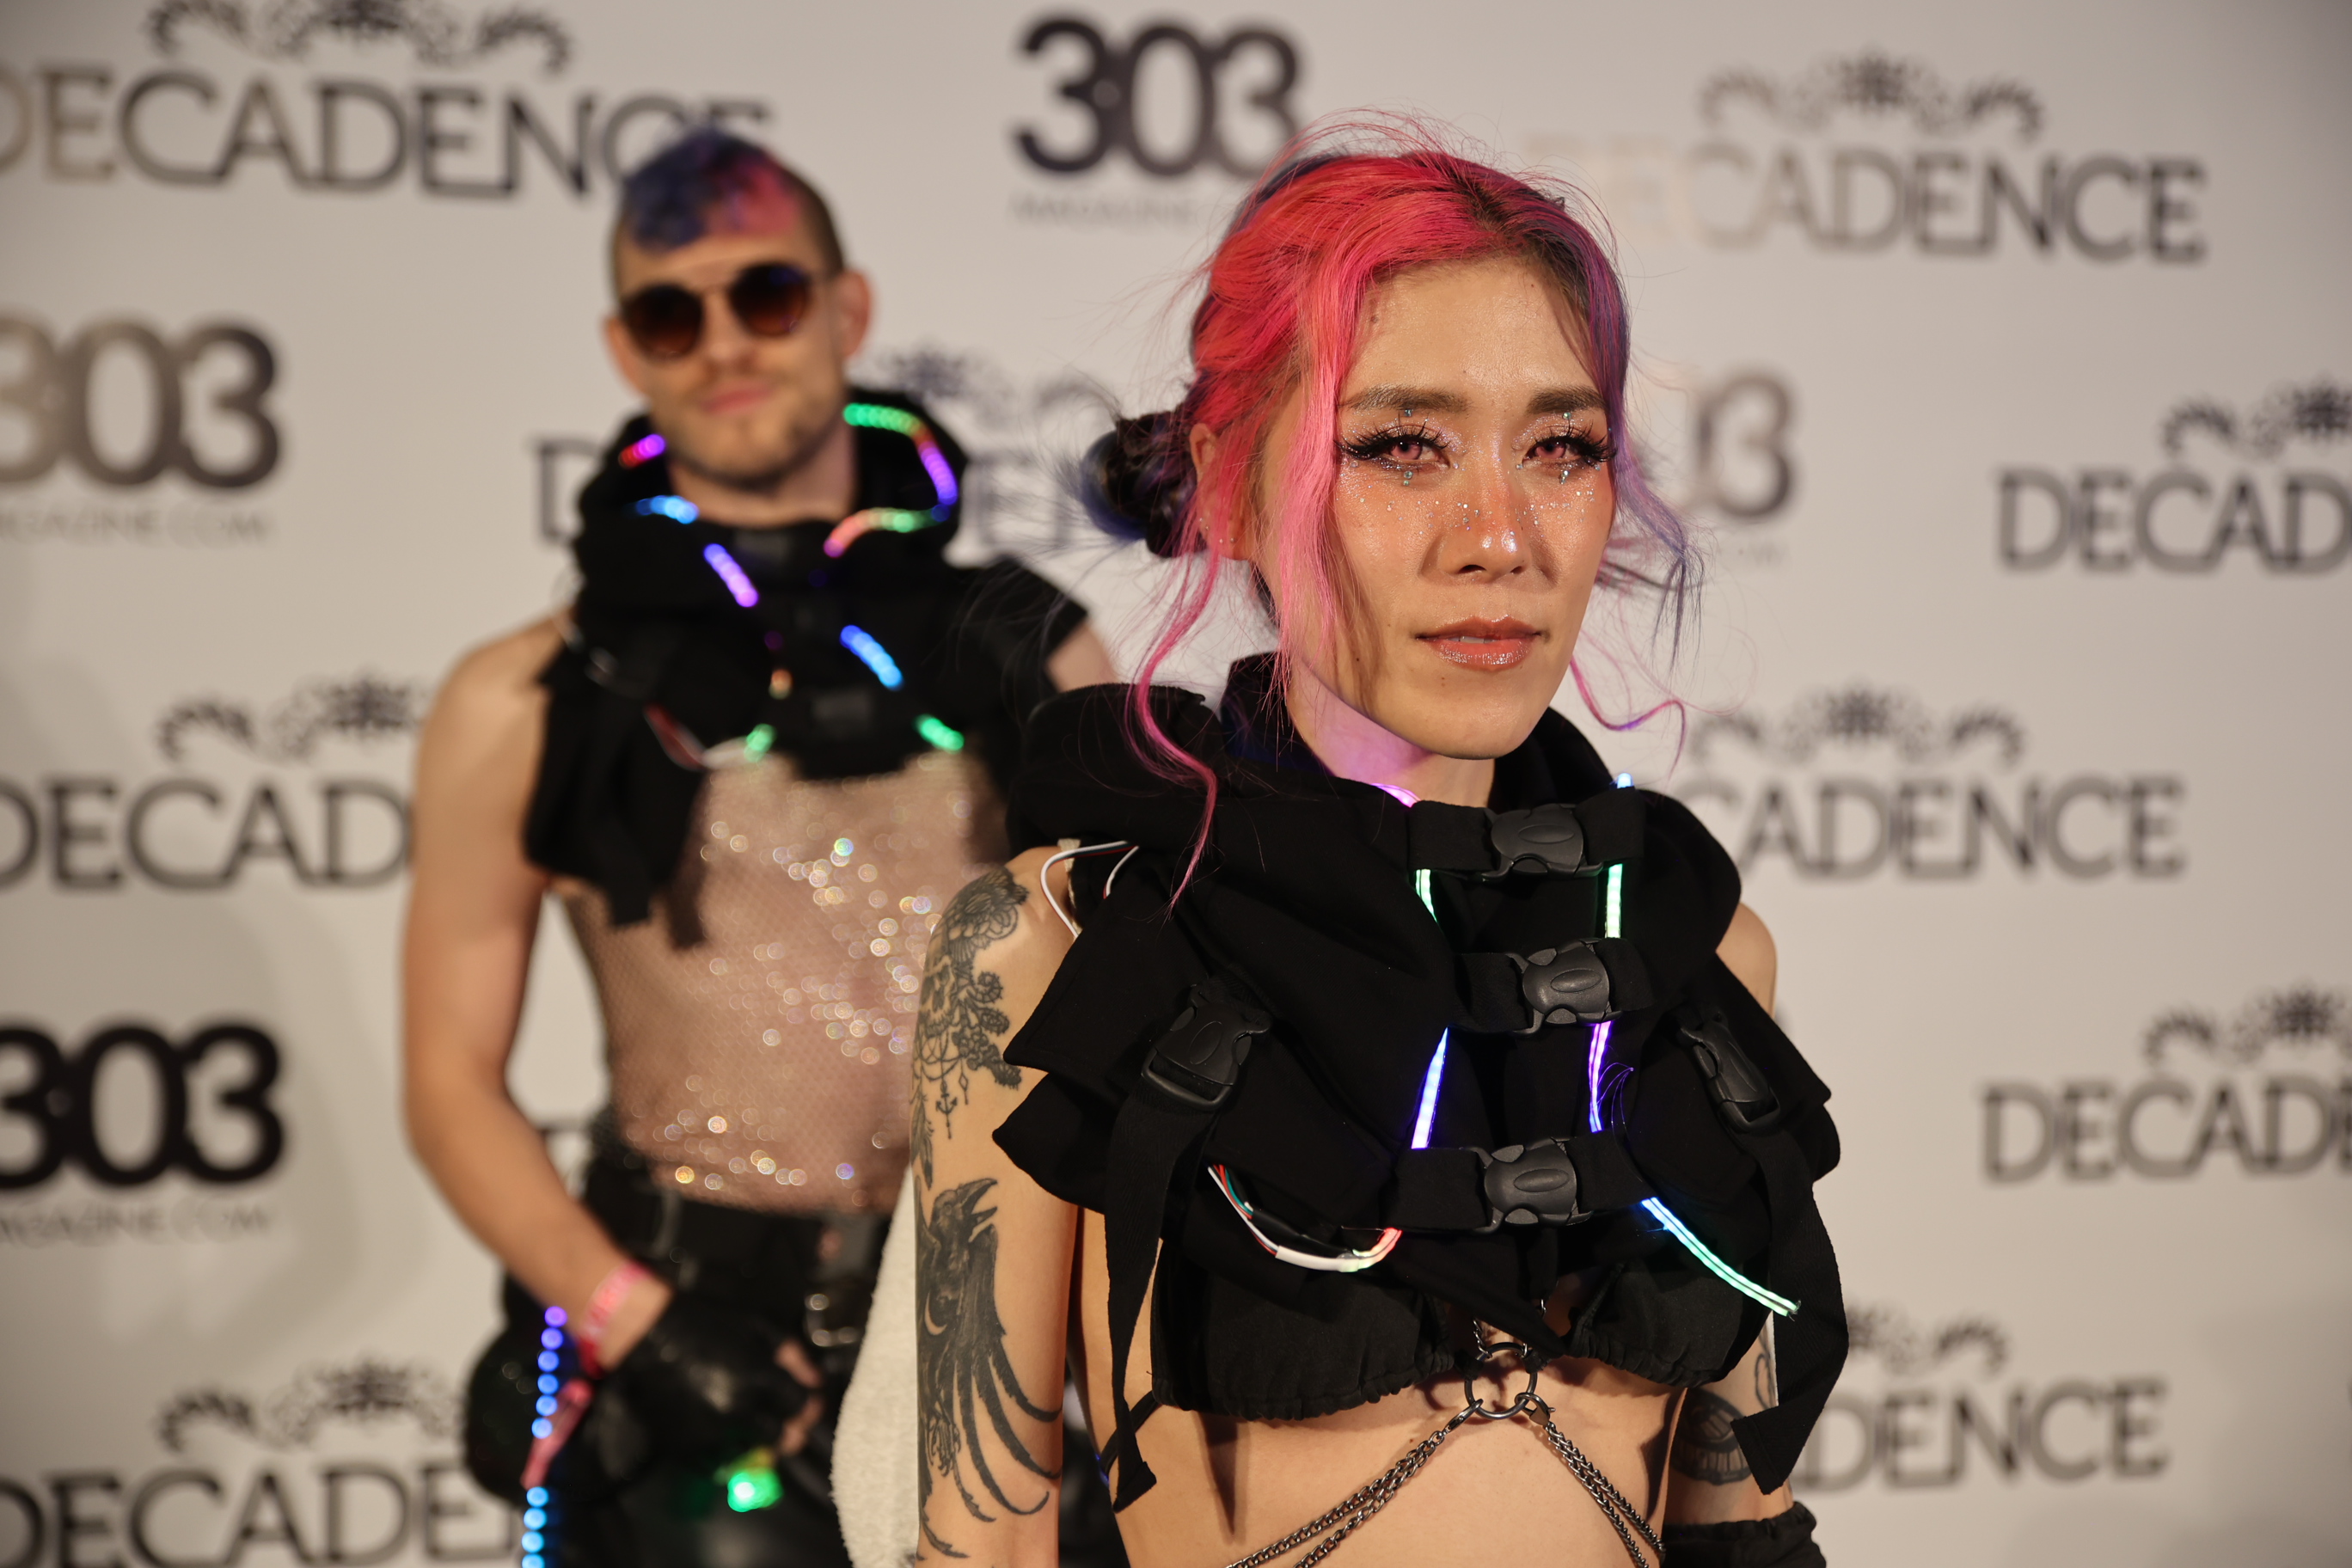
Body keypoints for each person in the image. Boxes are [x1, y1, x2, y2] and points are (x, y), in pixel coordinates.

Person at [903, 132, 1843, 1568]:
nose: (1501, 538)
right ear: (1229, 481)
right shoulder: (1051, 950)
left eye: (1562, 448)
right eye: (1403, 446)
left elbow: (1743, 1535)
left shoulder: (1701, 952)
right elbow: (982, 1545)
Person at [401, 127, 1115, 1567]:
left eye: (768, 296)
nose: (724, 341)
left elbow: (1133, 1010)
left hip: (1009, 1346)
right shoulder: (530, 695)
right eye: (674, 314)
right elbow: (447, 1081)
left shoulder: (1030, 648)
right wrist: (637, 1325)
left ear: (847, 309)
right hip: (692, 1356)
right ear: (626, 349)